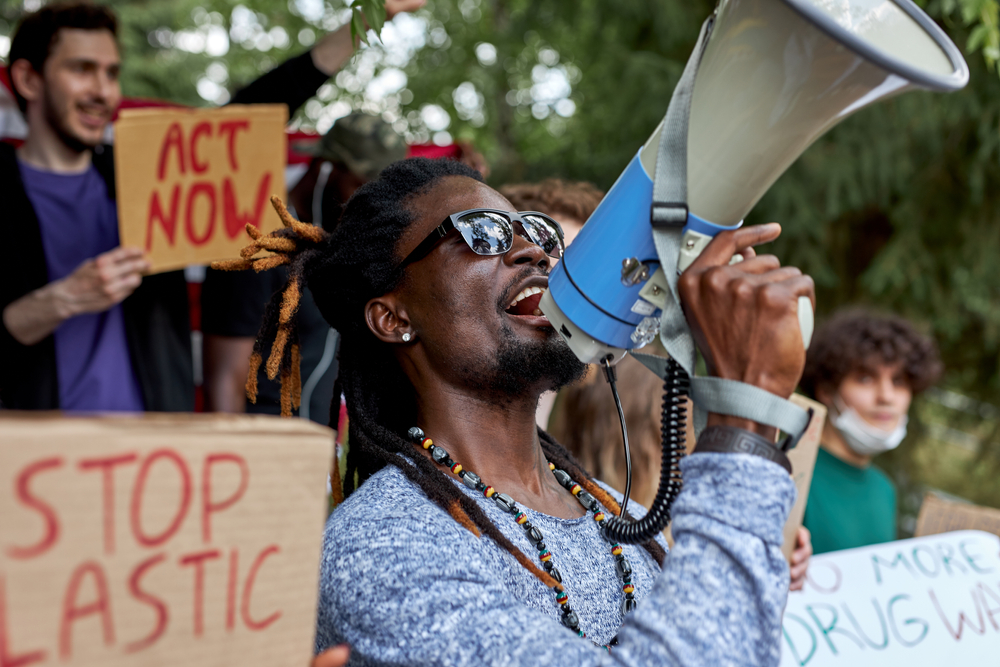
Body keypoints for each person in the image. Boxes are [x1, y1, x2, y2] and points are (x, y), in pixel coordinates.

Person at [225, 157, 814, 663]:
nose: (532, 247)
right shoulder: (381, 548)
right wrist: (746, 424)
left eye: (534, 231)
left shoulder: (624, 515)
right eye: (481, 233)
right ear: (393, 317)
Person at [0, 0, 422, 411]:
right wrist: (63, 300)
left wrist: (373, 13)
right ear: (28, 79)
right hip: (35, 459)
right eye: (82, 69)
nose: (103, 91)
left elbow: (256, 109)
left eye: (112, 73)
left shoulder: (145, 176)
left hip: (158, 456)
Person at [201, 113, 407, 422]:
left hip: (323, 456)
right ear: (325, 167)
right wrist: (233, 465)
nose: (370, 206)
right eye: (361, 186)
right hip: (266, 451)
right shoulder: (258, 243)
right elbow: (227, 378)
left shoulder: (343, 243)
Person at [800, 309, 942, 554]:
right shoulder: (790, 471)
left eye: (898, 381)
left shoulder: (884, 489)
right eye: (865, 378)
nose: (886, 396)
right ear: (826, 389)